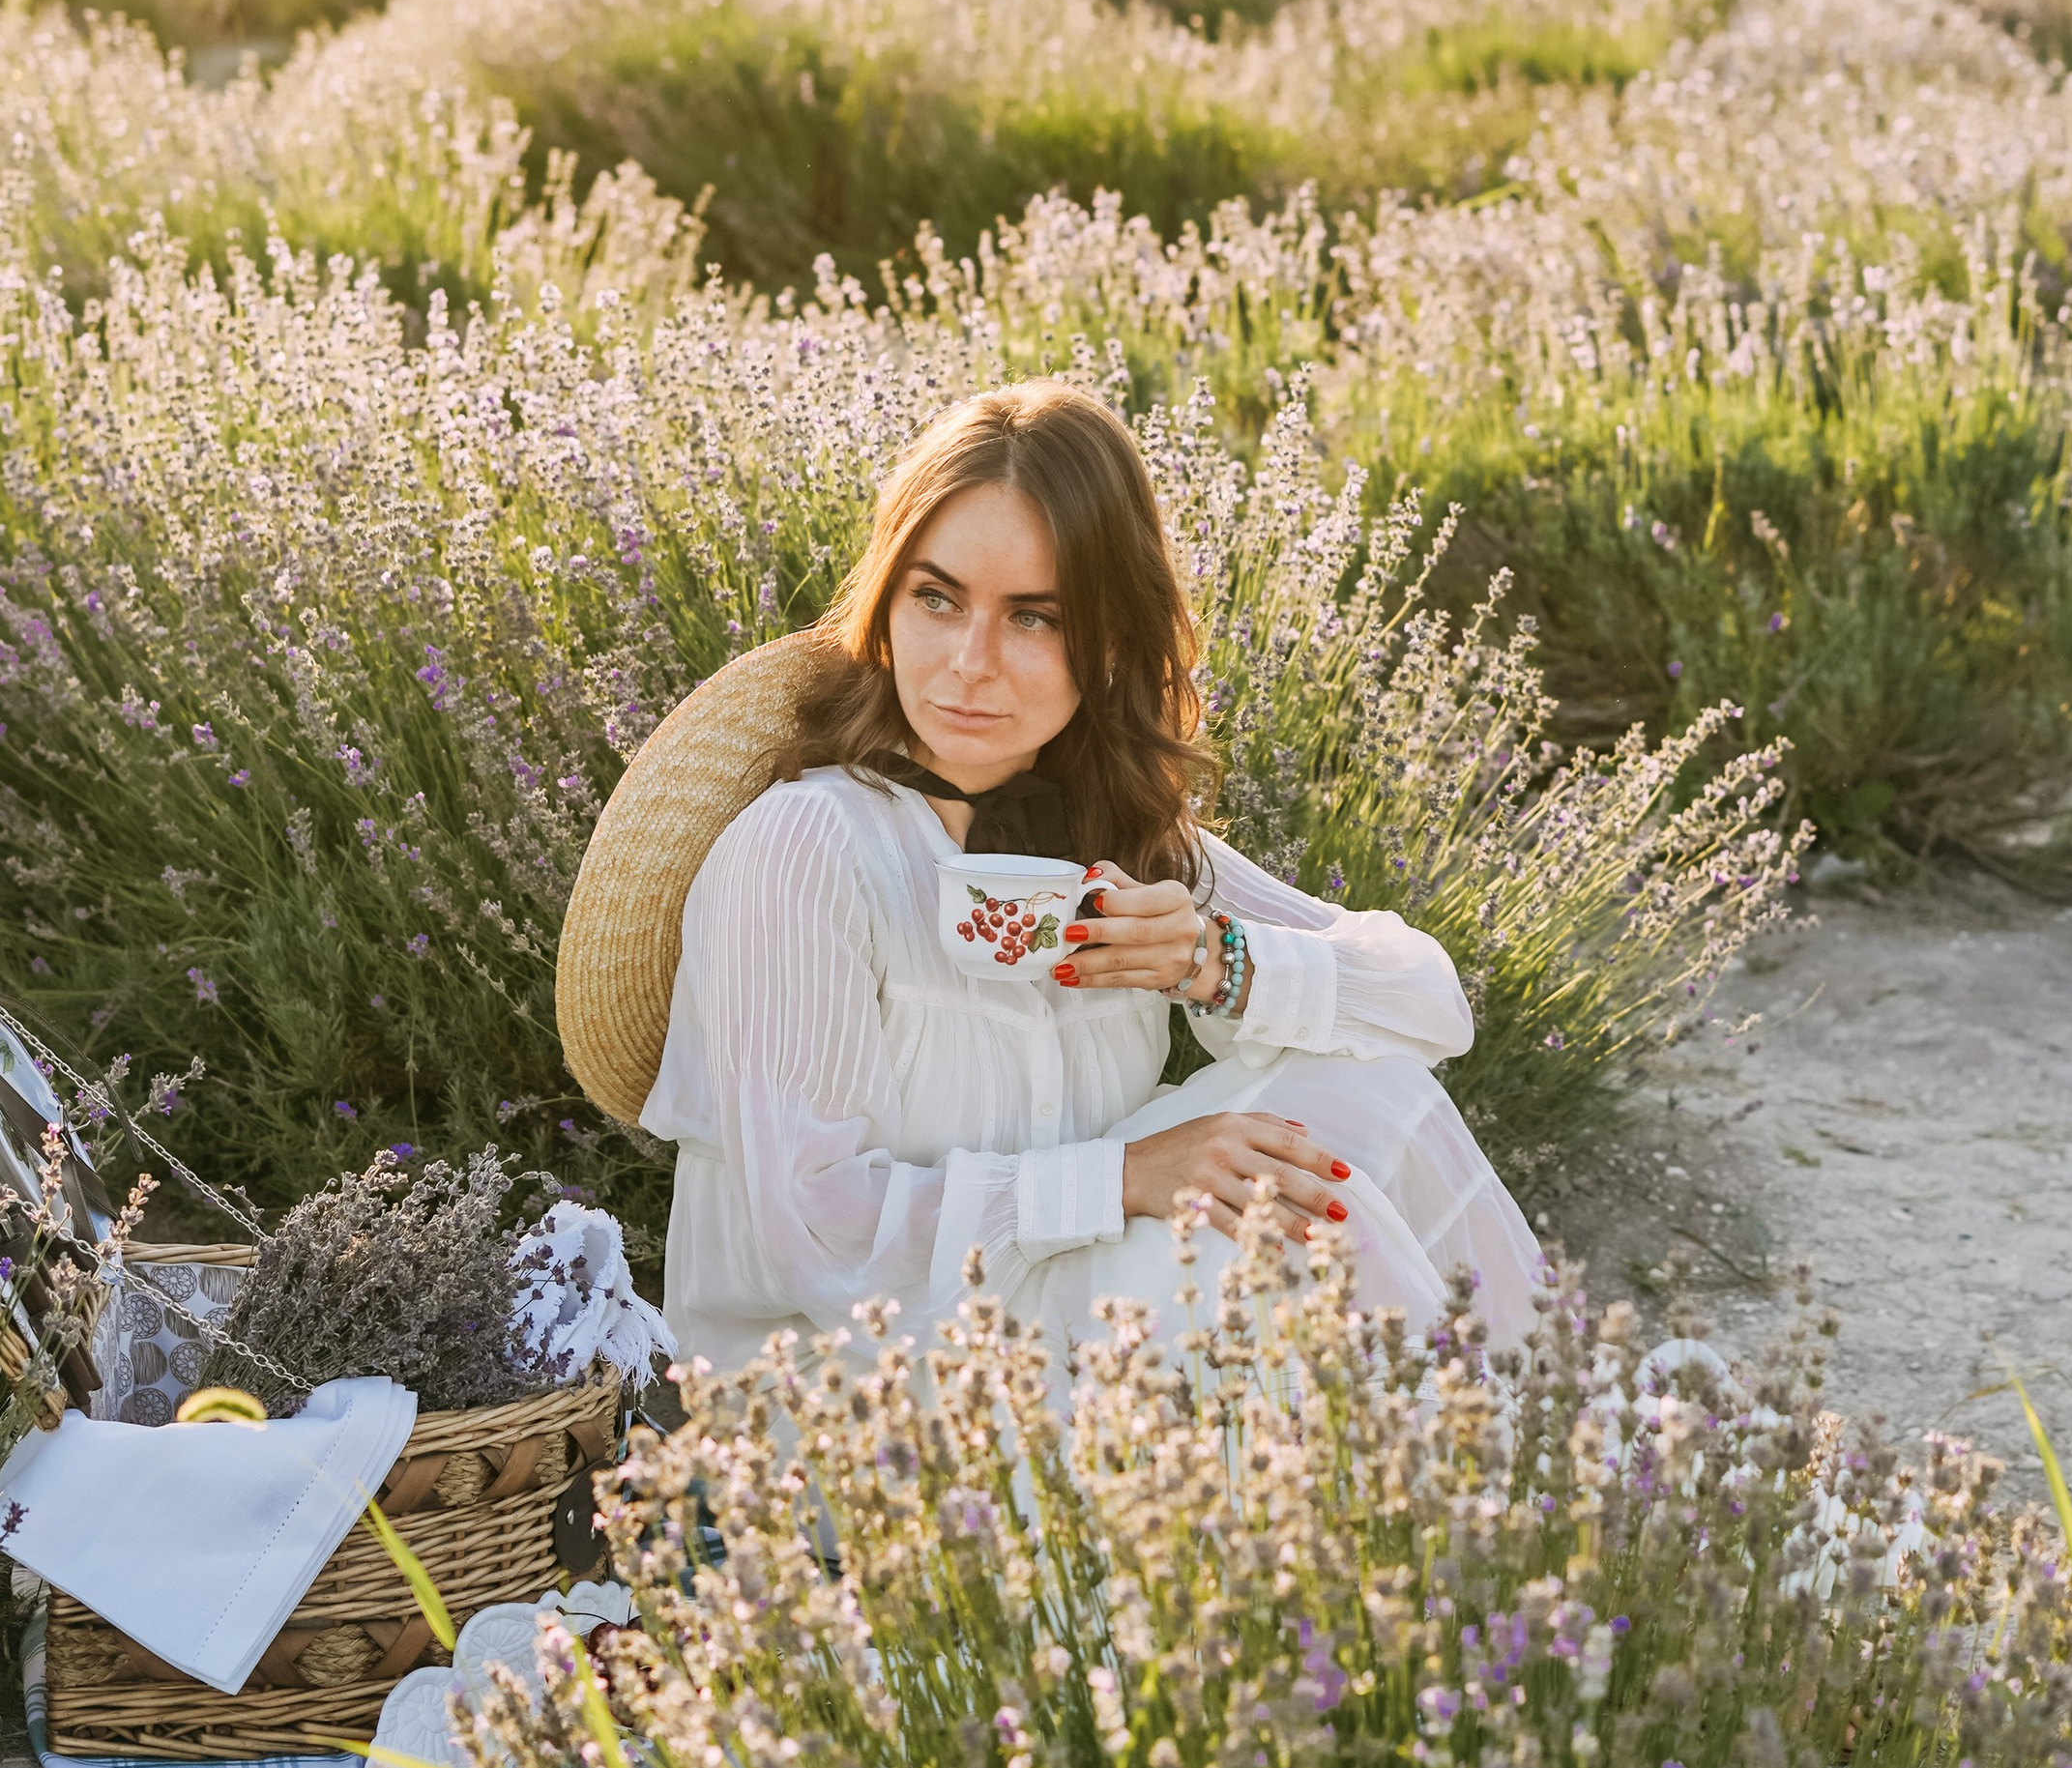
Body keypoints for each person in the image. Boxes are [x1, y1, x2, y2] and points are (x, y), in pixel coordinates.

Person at [583, 383, 1543, 1385]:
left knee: (1372, 1099)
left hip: (1066, 1306)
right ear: (887, 606)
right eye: (937, 597)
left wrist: (1210, 960)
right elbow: (813, 1234)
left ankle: (1548, 1431)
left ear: (1113, 640)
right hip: (853, 1382)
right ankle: (1464, 1454)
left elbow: (1426, 1005)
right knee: (1245, 1248)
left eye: (1034, 618)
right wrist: (1126, 1176)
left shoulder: (1113, 831)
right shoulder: (808, 844)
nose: (970, 664)